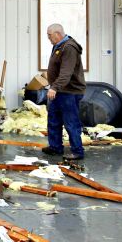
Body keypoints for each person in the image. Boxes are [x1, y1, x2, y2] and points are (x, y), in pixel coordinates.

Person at [42, 23, 86, 160]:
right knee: (54, 119)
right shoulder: (59, 46)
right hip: (60, 91)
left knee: (70, 122)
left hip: (69, 92)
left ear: (57, 34)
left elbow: (66, 73)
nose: (48, 38)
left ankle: (77, 151)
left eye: (49, 36)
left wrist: (54, 87)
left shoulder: (69, 48)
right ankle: (55, 147)